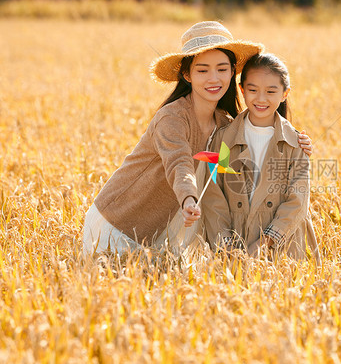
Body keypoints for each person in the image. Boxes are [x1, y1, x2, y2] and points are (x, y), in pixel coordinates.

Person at [82, 22, 312, 256]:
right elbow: (178, 163)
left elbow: (240, 169)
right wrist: (189, 198)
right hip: (117, 225)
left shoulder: (225, 125)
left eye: (222, 69)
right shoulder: (172, 118)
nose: (214, 78)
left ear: (233, 72)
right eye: (202, 70)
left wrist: (297, 143)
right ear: (186, 74)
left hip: (161, 231)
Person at [201, 53, 321, 264]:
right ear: (242, 90)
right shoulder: (223, 139)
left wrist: (263, 244)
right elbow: (213, 194)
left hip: (282, 249)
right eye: (253, 90)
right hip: (231, 247)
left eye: (271, 91)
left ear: (285, 94)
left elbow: (297, 200)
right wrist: (226, 245)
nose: (261, 98)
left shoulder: (296, 143)